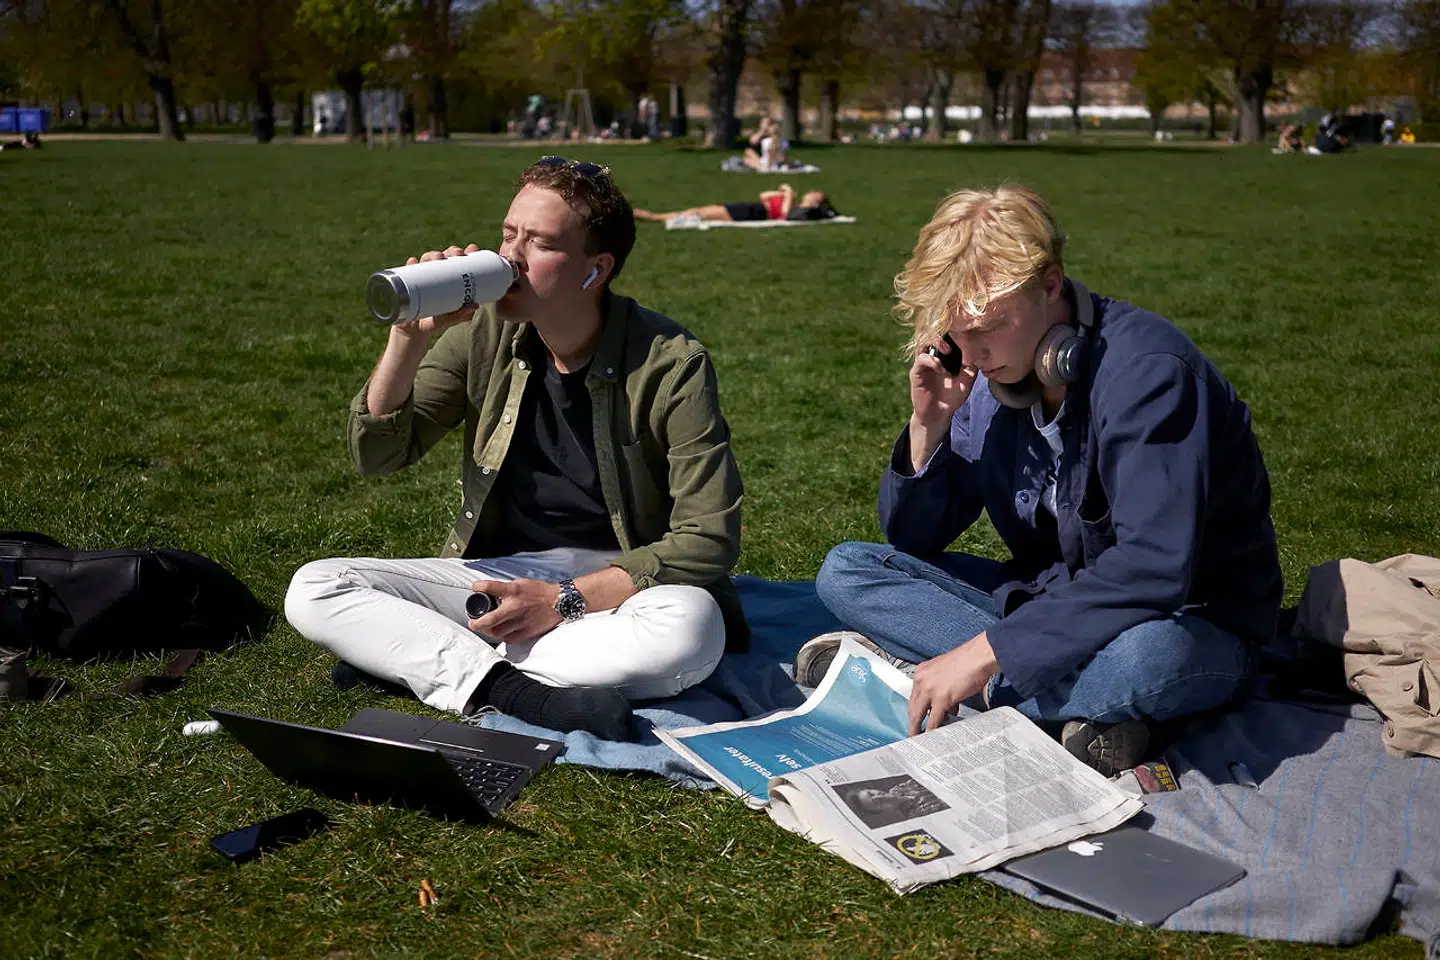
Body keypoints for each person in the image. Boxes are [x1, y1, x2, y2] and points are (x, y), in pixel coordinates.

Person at [800, 185, 1282, 775]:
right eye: (960, 332)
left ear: (1050, 284)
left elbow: (1153, 567)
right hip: (1052, 603)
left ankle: (912, 680)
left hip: (1185, 621)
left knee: (1149, 661)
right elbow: (915, 537)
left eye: (990, 327)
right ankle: (1068, 714)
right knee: (850, 570)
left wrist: (987, 651)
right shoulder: (985, 377)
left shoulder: (1148, 374)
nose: (973, 354)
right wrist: (928, 424)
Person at [285, 157, 748, 741]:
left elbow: (708, 541)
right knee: (316, 587)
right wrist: (406, 338)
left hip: (618, 584)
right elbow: (377, 456)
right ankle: (511, 692)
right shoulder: (482, 335)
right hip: (502, 575)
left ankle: (420, 658)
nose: (510, 257)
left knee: (693, 629)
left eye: (539, 243)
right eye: (509, 234)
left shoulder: (670, 363)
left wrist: (565, 601)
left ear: (594, 270)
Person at [633, 186, 838, 225]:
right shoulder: (792, 200)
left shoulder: (801, 209)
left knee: (700, 213)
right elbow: (764, 195)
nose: (809, 192)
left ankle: (654, 217)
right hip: (753, 207)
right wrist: (783, 193)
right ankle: (655, 216)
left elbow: (785, 215)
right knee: (700, 211)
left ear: (816, 200)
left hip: (755, 213)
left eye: (813, 193)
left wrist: (788, 195)